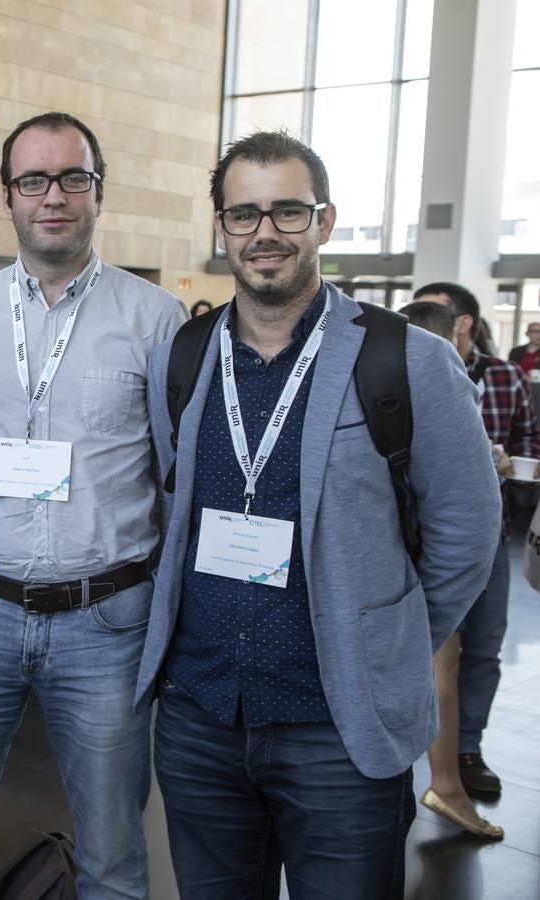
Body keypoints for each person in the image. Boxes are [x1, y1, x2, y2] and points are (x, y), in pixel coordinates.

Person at [140, 131, 500, 899]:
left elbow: (467, 535)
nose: (263, 232)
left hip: (337, 729)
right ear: (220, 228)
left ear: (325, 222)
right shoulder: (183, 355)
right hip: (200, 716)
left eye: (286, 211)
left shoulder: (405, 361)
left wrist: (383, 643)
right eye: (242, 214)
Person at [0, 111, 186, 900]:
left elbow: (173, 475)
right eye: (33, 180)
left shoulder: (154, 319)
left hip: (106, 626)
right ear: (7, 197)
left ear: (98, 192)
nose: (52, 196)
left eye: (72, 178)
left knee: (115, 859)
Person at [414, 280, 539, 799]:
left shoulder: (507, 376)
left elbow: (530, 441)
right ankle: (429, 758)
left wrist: (511, 464)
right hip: (420, 539)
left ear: (462, 323)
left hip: (493, 536)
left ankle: (468, 748)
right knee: (433, 651)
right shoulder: (407, 366)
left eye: (433, 315)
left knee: (484, 647)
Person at [398, 298, 504, 840]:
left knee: (451, 663)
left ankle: (448, 777)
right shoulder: (418, 371)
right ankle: (445, 781)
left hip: (425, 552)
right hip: (418, 554)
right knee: (441, 668)